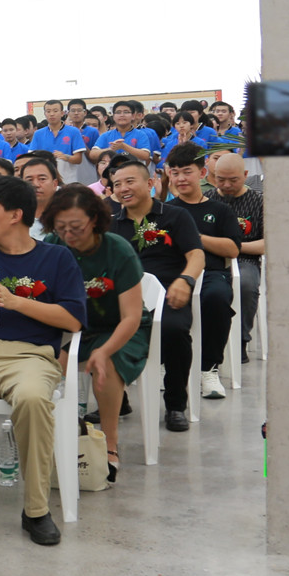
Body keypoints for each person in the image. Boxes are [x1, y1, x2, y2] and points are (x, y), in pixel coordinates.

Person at [0, 176, 86, 545]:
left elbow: (73, 320)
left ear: (15, 215)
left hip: (30, 356)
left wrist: (16, 301)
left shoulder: (56, 257)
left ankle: (36, 509)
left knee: (34, 399)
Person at [40, 184, 145, 476]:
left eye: (77, 227)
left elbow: (131, 317)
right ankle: (56, 439)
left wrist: (104, 349)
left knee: (106, 364)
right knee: (45, 369)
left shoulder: (117, 250)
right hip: (71, 329)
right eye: (61, 227)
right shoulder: (54, 245)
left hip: (116, 328)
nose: (69, 235)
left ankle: (109, 445)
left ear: (95, 220)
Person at [106, 159, 204, 434]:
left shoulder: (175, 216)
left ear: (150, 183)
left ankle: (175, 404)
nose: (123, 188)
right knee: (97, 327)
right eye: (117, 184)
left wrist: (186, 280)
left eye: (129, 181)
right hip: (123, 298)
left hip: (167, 296)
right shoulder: (110, 222)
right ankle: (117, 400)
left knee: (174, 331)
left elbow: (196, 254)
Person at [164, 149, 240, 399]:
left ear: (202, 173)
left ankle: (208, 368)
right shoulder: (165, 210)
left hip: (211, 273)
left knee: (217, 298)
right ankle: (169, 367)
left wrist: (195, 238)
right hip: (174, 274)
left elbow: (232, 248)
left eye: (187, 172)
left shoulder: (220, 210)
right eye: (175, 173)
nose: (181, 178)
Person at [206, 152, 265, 361]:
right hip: (210, 260)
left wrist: (234, 248)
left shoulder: (258, 202)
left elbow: (266, 243)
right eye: (220, 179)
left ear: (246, 174)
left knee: (246, 285)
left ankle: (241, 340)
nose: (227, 185)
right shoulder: (208, 200)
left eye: (233, 180)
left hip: (244, 260)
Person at [88, 101, 157, 170]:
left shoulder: (141, 134)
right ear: (114, 116)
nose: (122, 115)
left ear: (133, 116)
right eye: (118, 112)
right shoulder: (106, 135)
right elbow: (92, 154)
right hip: (111, 173)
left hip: (134, 173)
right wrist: (111, 149)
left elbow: (145, 155)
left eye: (126, 112)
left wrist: (123, 146)